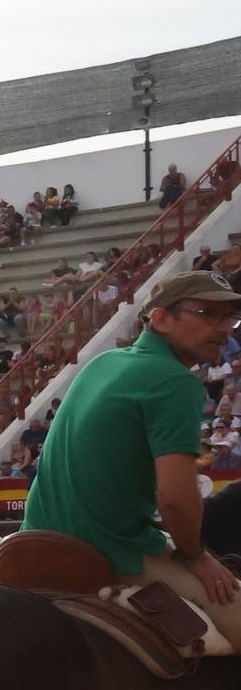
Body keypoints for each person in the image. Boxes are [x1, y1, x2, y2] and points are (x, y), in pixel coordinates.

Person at [21, 271, 241, 647]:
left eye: (229, 318)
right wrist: (196, 556)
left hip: (35, 538)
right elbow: (174, 497)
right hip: (111, 549)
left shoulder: (102, 363)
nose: (223, 329)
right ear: (159, 318)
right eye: (207, 313)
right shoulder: (175, 381)